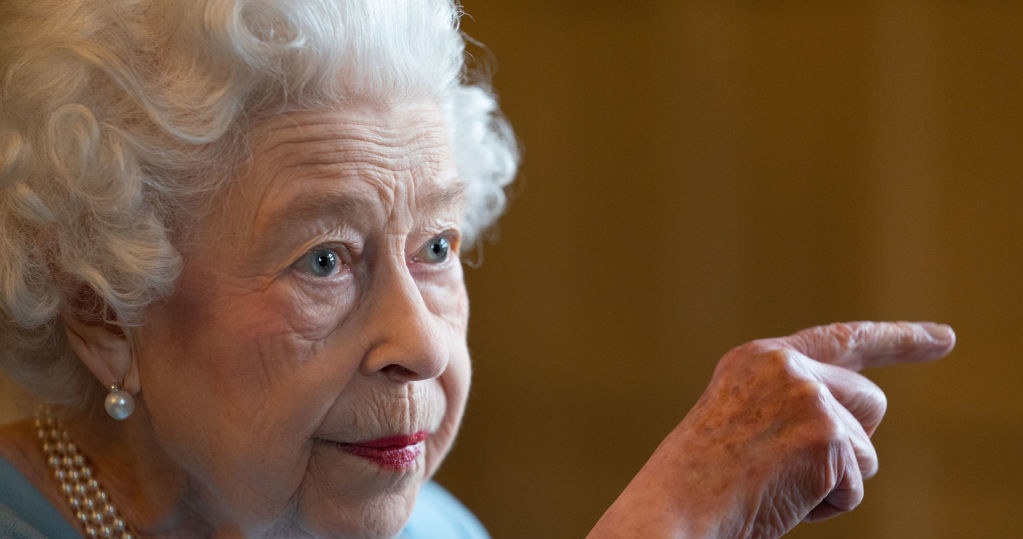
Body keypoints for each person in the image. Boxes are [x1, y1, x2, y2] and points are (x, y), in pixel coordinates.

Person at [0, 1, 955, 537]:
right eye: (324, 260)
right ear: (104, 314)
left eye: (437, 247)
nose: (419, 341)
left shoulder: (437, 530)